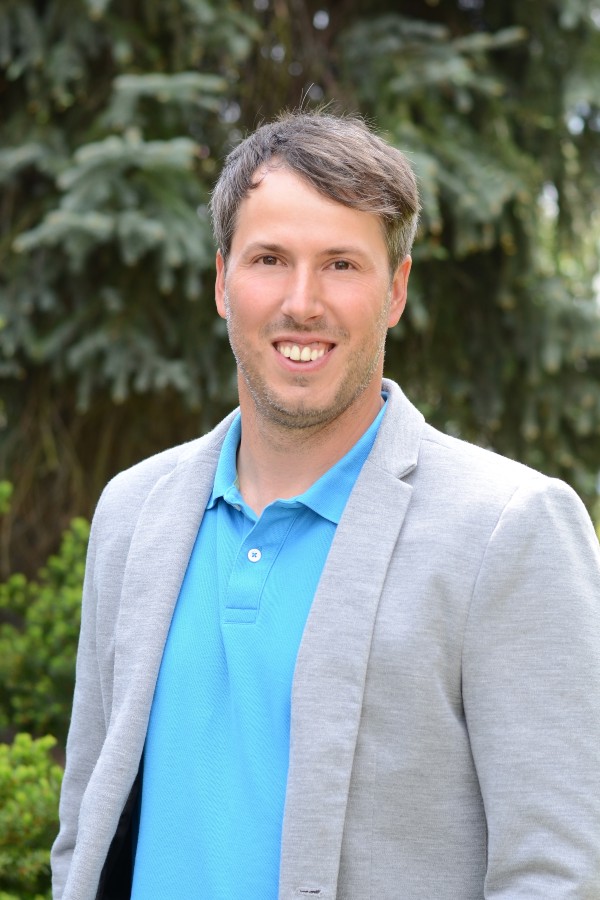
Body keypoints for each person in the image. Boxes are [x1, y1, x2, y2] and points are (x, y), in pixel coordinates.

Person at [52, 110, 600, 900]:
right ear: (222, 281)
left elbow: (558, 876)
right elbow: (85, 831)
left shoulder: (508, 529)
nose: (301, 302)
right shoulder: (133, 513)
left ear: (395, 291)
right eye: (269, 259)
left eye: (341, 264)